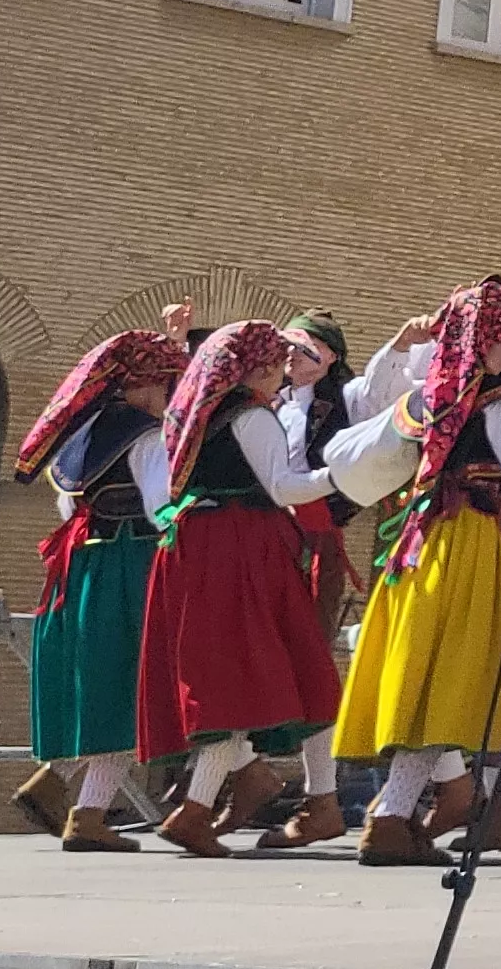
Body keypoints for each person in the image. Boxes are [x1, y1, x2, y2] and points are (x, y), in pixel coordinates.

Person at [322, 280, 501, 865]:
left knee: (428, 681)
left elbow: (344, 457)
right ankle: (390, 817)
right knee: (451, 686)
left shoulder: (424, 400)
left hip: (417, 549)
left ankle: (476, 809)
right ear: (494, 343)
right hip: (472, 550)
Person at [136, 320, 351, 858]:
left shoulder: (201, 414)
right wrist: (344, 473)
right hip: (244, 548)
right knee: (279, 671)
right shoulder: (253, 415)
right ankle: (201, 809)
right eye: (278, 364)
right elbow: (282, 487)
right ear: (256, 368)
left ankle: (208, 807)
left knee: (241, 677)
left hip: (204, 546)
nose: (283, 375)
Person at [12, 321, 188, 851]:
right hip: (129, 565)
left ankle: (56, 781)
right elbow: (163, 510)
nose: (171, 398)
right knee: (124, 689)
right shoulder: (146, 436)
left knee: (94, 682)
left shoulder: (82, 432)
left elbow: (68, 505)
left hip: (79, 569)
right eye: (168, 386)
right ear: (148, 386)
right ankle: (87, 814)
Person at [274, 311, 369, 637]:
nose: (292, 351)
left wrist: (329, 509)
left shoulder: (345, 403)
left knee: (310, 632)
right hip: (268, 528)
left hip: (317, 534)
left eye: (306, 345)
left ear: (330, 356)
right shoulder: (269, 403)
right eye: (288, 344)